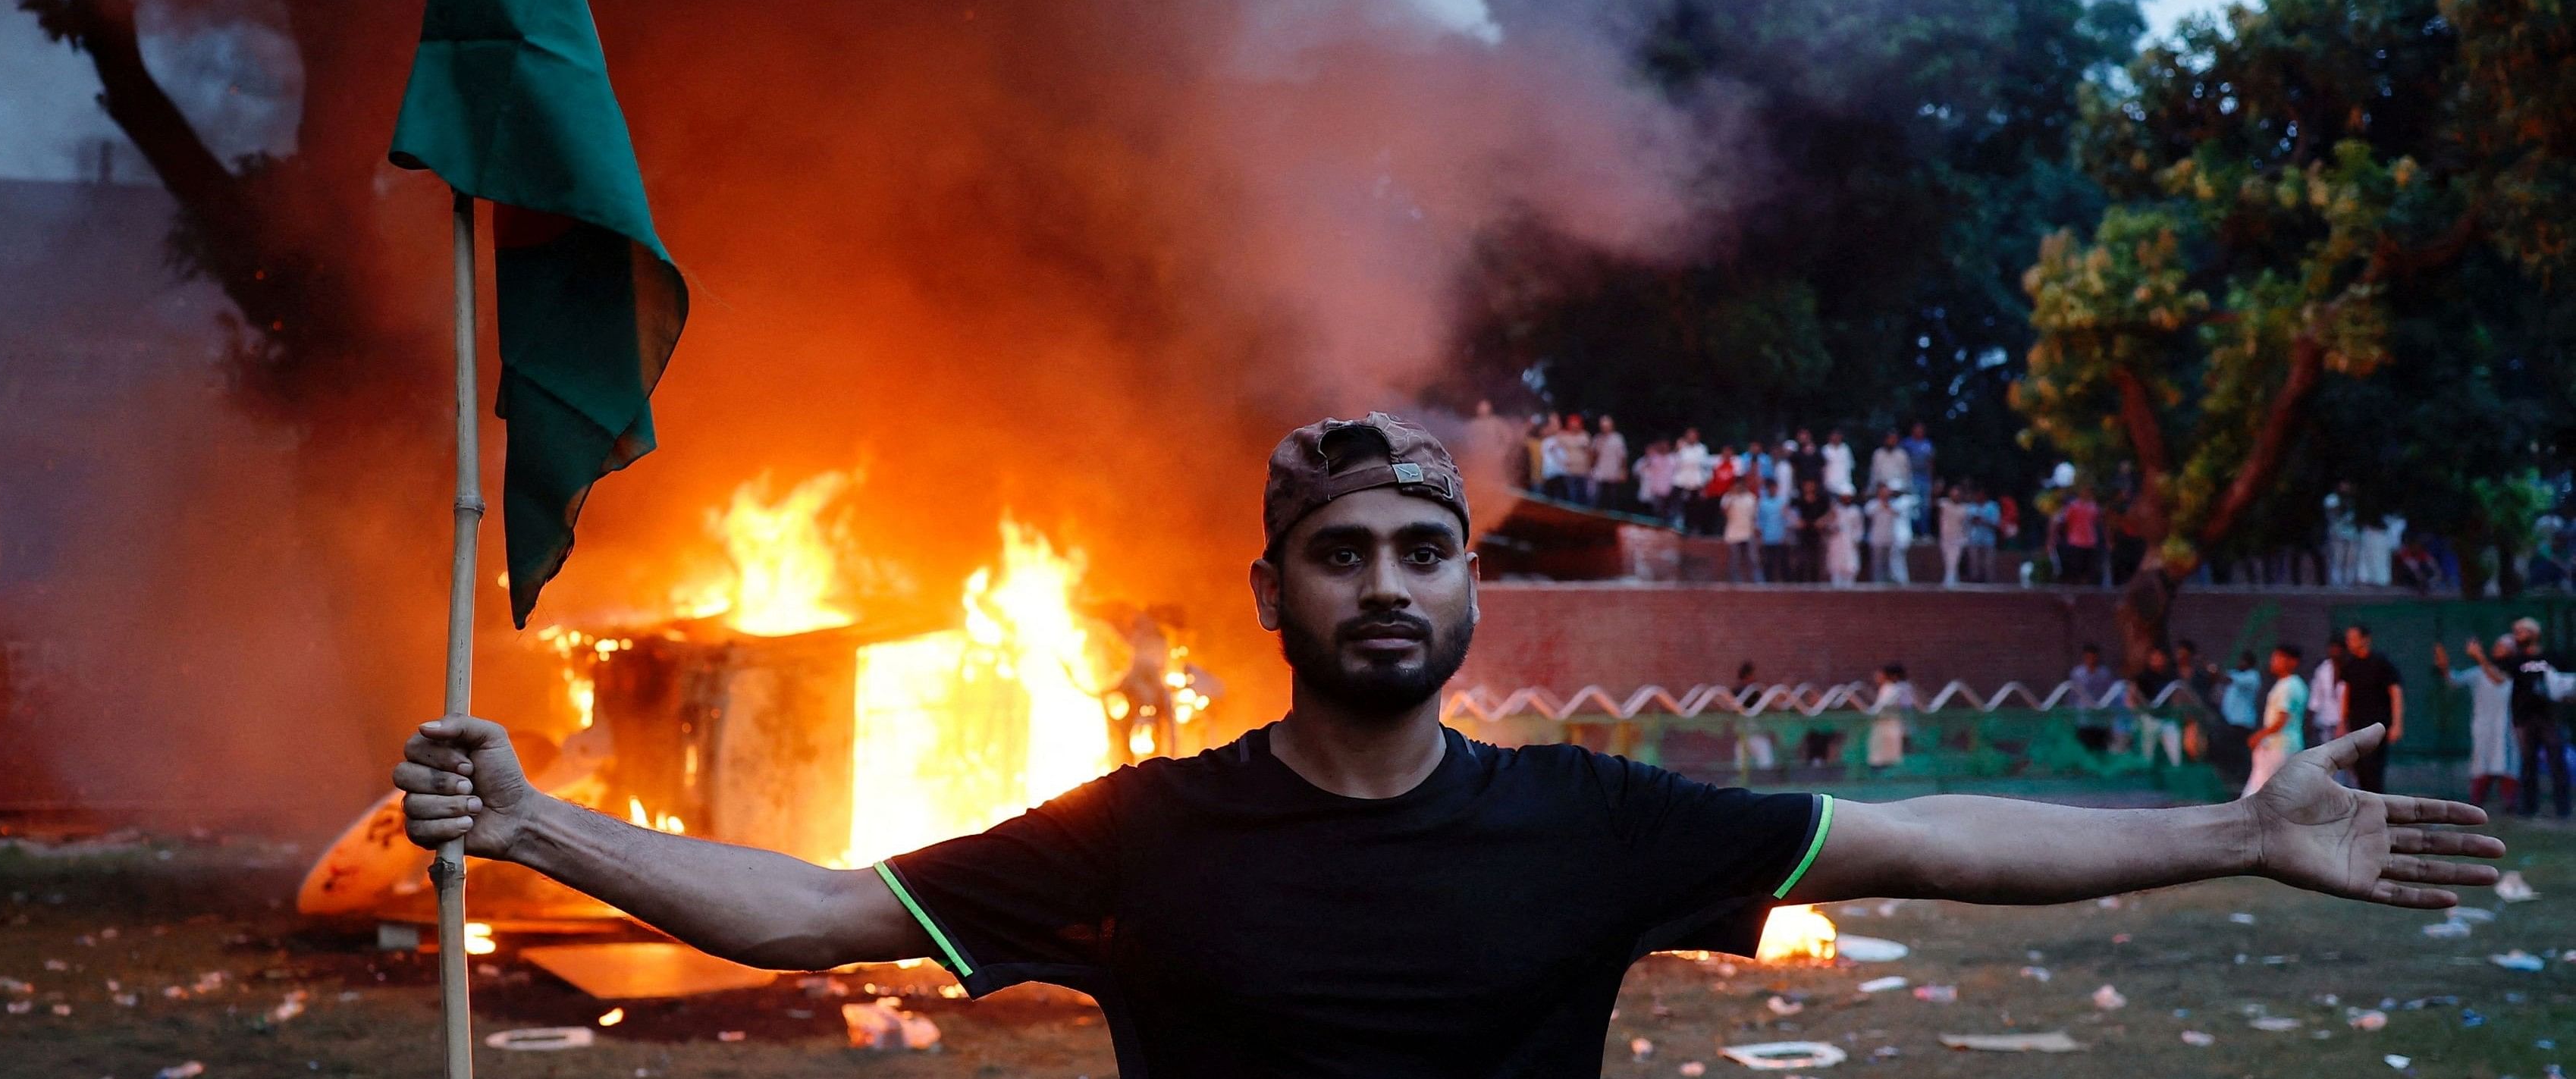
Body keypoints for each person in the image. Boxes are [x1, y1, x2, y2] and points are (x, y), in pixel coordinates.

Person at [399, 412, 2503, 1079]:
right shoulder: (1143, 833)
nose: (1388, 582)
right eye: (1341, 553)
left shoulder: (1590, 823)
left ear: (1468, 591)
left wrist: (2233, 836)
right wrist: (536, 820)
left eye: (1425, 546)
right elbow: (822, 913)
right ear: (1275, 596)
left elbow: (1935, 841)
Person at [2437, 635, 2519, 812]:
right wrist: (2444, 663)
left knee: (2508, 763)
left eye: (2503, 646)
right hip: (2483, 726)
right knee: (2482, 762)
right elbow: (2454, 679)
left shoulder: (2514, 671)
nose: (2498, 648)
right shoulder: (2478, 672)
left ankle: (2510, 804)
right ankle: (2476, 803)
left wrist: (2478, 656)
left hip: (2507, 726)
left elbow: (2498, 679)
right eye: (2497, 645)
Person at [2508, 616, 2571, 819]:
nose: (2518, 636)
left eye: (2522, 632)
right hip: (2526, 718)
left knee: (2556, 762)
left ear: (2534, 633)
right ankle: (2529, 807)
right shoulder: (2516, 662)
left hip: (2550, 717)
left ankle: (2563, 808)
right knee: (2528, 764)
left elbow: (2566, 684)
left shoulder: (2553, 658)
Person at [2335, 624, 2405, 794]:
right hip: (2356, 724)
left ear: (2365, 639)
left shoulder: (2381, 663)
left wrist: (2397, 724)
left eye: (2354, 638)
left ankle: (2378, 809)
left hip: (2378, 726)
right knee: (2360, 770)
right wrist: (2342, 722)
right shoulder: (2350, 666)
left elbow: (2396, 693)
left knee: (2374, 768)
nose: (2350, 642)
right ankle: (2367, 808)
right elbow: (2346, 695)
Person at [2246, 645, 2311, 795]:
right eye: (2274, 657)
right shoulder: (2294, 684)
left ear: (2293, 662)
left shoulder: (2289, 686)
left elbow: (2282, 719)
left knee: (2259, 791)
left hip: (2278, 747)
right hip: (2287, 745)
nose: (2273, 661)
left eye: (2279, 658)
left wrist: (2259, 736)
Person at [2131, 645, 2182, 767]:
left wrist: (2176, 712)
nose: (2157, 660)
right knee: (2147, 754)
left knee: (2176, 754)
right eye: (2154, 657)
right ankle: (2146, 778)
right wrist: (2138, 715)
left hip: (2167, 719)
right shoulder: (2142, 677)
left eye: (2160, 657)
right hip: (2149, 719)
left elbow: (2177, 697)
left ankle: (2176, 776)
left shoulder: (2171, 676)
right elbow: (2132, 697)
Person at [2068, 645, 2116, 757]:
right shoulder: (2077, 673)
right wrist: (2071, 712)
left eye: (2093, 657)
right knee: (2085, 746)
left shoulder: (2105, 673)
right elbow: (2073, 695)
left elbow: (2110, 693)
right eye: (2088, 657)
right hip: (2084, 718)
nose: (2091, 660)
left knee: (2101, 747)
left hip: (2101, 718)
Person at [1867, 663, 1913, 771]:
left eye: (1882, 675)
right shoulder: (1888, 688)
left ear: (1893, 676)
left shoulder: (1899, 688)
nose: (1878, 677)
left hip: (1896, 729)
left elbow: (1890, 706)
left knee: (1892, 760)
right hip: (1889, 728)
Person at [1721, 475, 1762, 585]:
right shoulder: (1728, 497)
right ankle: (1735, 584)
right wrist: (1733, 497)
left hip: (1748, 532)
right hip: (1733, 533)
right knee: (1734, 560)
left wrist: (1756, 531)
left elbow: (1755, 516)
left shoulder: (1751, 498)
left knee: (1753, 559)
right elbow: (1724, 513)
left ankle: (1758, 582)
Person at [2057, 488, 2103, 585]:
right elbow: (2065, 522)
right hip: (2076, 541)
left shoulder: (2094, 507)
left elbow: (2098, 522)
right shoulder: (2073, 506)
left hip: (2090, 542)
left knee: (2089, 570)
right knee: (2075, 569)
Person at [1791, 478, 1831, 586]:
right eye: (1807, 484)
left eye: (1811, 484)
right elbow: (1786, 509)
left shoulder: (1821, 499)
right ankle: (1800, 584)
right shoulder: (1799, 498)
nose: (1809, 487)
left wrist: (1822, 521)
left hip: (1815, 532)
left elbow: (1832, 512)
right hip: (1803, 532)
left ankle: (1815, 584)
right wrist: (1796, 521)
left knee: (1815, 560)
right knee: (1801, 559)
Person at [1587, 417, 1628, 510]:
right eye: (1603, 426)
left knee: (1612, 499)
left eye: (1607, 426)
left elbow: (1623, 457)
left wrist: (1624, 471)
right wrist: (1591, 468)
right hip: (1600, 473)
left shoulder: (1618, 439)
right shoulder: (1597, 439)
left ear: (1611, 426)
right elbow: (1594, 456)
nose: (1604, 428)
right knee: (1597, 498)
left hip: (1613, 473)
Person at [1825, 489, 1864, 587]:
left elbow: (1859, 528)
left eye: (1848, 497)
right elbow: (1828, 525)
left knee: (1850, 567)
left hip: (1850, 543)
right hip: (1836, 542)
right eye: (1844, 497)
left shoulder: (1855, 511)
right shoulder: (1835, 510)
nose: (1846, 499)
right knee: (1835, 568)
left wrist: (1856, 540)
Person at [1903, 422, 1936, 535]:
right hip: (1912, 478)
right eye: (1917, 429)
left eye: (1921, 430)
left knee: (1925, 507)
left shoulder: (1927, 444)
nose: (1919, 432)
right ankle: (1912, 533)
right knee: (1912, 506)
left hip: (1925, 479)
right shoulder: (1907, 443)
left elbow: (1931, 463)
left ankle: (1924, 533)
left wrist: (1931, 480)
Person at [1756, 478, 1790, 585]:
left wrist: (1786, 535)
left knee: (1783, 562)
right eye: (1770, 488)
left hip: (1780, 538)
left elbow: (1787, 520)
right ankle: (1768, 582)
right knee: (1768, 562)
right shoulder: (1763, 503)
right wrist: (1760, 538)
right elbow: (1760, 522)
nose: (1773, 490)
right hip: (1768, 538)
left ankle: (1785, 582)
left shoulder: (1782, 502)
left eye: (1774, 488)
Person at [1937, 481, 1969, 588]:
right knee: (1948, 560)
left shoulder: (1964, 508)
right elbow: (1933, 504)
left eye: (1957, 494)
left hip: (1958, 539)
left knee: (1953, 560)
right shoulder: (1944, 504)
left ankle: (1948, 582)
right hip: (1945, 537)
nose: (1955, 496)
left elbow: (1965, 525)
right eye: (1953, 494)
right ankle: (1955, 581)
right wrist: (1937, 490)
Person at [1633, 439, 1676, 518]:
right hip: (1652, 492)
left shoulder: (1673, 459)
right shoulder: (1650, 460)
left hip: (1667, 492)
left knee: (1663, 513)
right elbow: (1637, 473)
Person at [1867, 431, 1911, 505]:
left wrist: (1905, 490)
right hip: (1881, 490)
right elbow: (1874, 474)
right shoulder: (1878, 454)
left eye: (1894, 439)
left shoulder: (1902, 454)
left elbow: (1906, 474)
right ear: (1885, 440)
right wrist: (1874, 490)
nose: (1892, 441)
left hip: (1898, 491)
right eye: (1890, 439)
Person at [1821, 428, 1856, 498]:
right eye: (1834, 436)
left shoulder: (1846, 449)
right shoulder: (1825, 450)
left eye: (1838, 436)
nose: (1836, 438)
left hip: (1845, 485)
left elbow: (1851, 466)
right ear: (1830, 437)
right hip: (1829, 485)